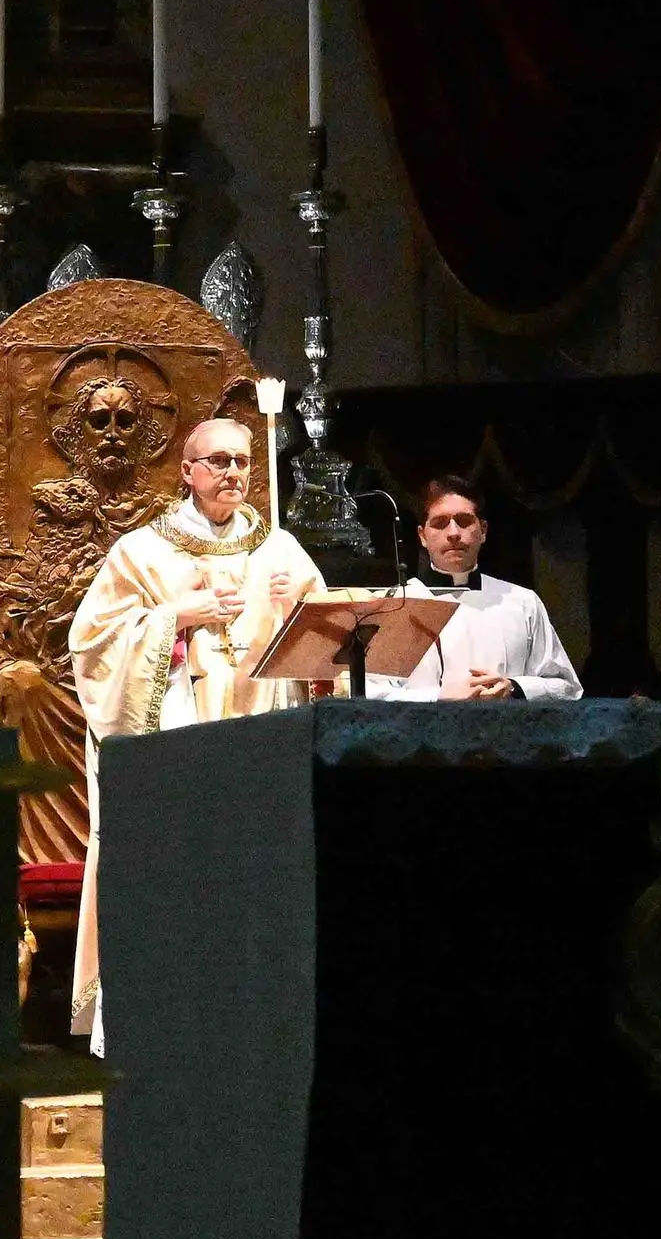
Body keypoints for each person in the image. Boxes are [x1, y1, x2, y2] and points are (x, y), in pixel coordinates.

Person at [65, 414, 326, 1050]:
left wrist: (302, 610)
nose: (233, 472)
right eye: (218, 461)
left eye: (241, 460)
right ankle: (168, 1030)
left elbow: (330, 659)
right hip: (180, 752)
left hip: (261, 751)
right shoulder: (141, 553)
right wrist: (170, 620)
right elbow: (91, 646)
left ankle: (259, 1028)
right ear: (187, 473)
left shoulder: (281, 551)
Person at [365, 475, 582, 703]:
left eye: (464, 521)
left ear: (484, 530)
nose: (454, 533)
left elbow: (567, 687)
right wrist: (438, 697)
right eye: (440, 523)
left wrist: (515, 688)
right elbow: (369, 693)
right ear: (422, 536)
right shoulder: (395, 605)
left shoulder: (522, 602)